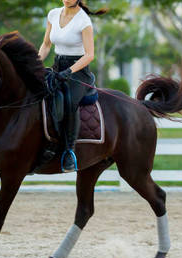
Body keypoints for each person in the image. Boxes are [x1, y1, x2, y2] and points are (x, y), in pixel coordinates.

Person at [38, 0, 106, 172]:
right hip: (57, 66)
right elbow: (47, 44)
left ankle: (69, 151)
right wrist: (35, 64)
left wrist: (69, 71)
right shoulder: (53, 14)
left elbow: (90, 55)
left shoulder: (84, 21)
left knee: (68, 102)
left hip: (78, 72)